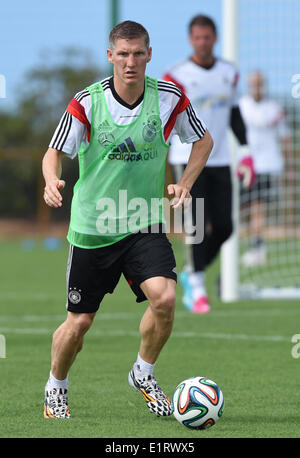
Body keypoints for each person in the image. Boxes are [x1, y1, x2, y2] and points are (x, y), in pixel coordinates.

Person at [42, 20, 213, 419]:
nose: (131, 62)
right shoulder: (87, 101)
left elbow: (202, 140)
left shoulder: (169, 98)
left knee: (166, 298)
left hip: (143, 221)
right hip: (93, 227)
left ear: (149, 54)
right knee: (79, 323)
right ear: (110, 56)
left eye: (138, 53)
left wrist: (185, 183)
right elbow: (54, 151)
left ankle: (144, 372)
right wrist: (52, 180)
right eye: (123, 54)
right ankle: (57, 386)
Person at [163, 14, 249, 313]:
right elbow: (165, 117)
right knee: (197, 224)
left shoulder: (229, 72)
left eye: (207, 37)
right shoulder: (176, 75)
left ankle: (191, 271)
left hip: (222, 157)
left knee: (225, 226)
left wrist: (246, 151)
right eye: (197, 37)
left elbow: (235, 114)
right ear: (190, 40)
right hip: (187, 159)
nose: (202, 42)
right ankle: (197, 285)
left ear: (215, 38)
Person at [239, 71, 291, 267]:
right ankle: (254, 244)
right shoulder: (242, 106)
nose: (257, 86)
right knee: (245, 207)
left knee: (258, 206)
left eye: (260, 83)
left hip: (268, 165)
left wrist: (289, 164)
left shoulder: (274, 108)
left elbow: (285, 137)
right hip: (244, 165)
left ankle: (258, 248)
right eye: (253, 83)